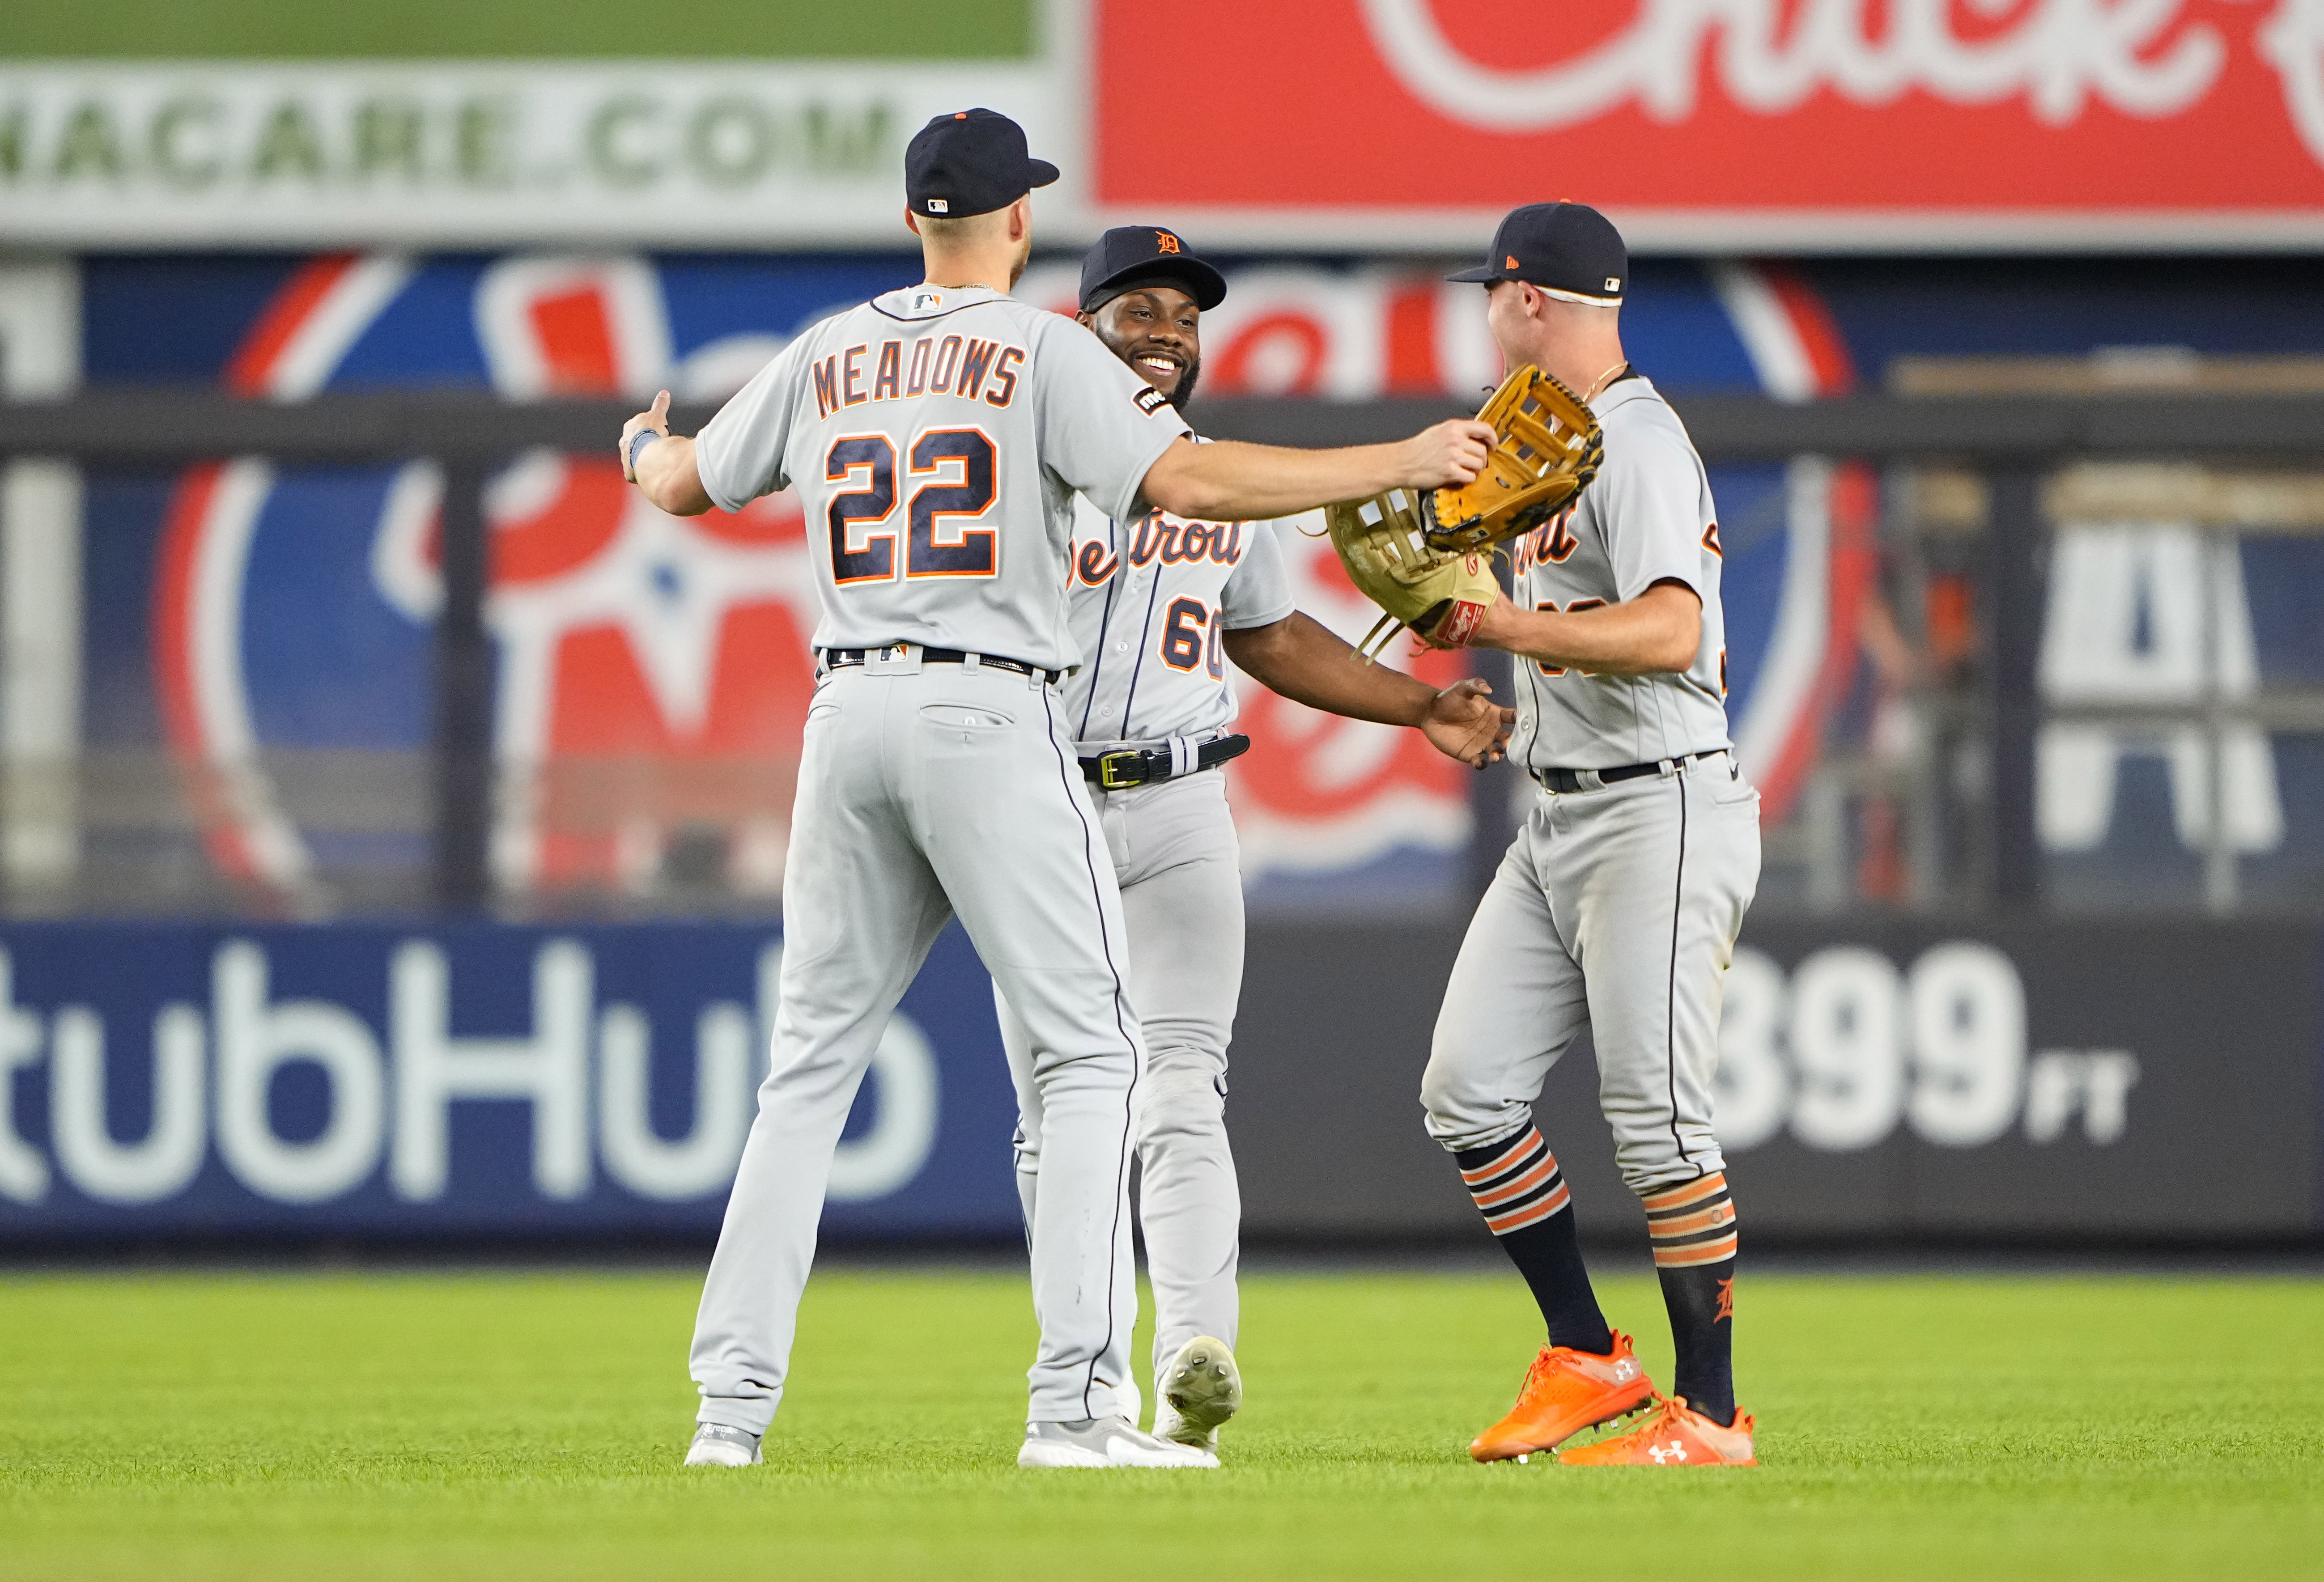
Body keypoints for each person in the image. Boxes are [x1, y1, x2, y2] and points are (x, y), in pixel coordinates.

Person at [619, 107, 1496, 1471]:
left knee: (805, 1073)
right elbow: (1190, 475)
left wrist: (639, 450)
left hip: (847, 707)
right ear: (1019, 224)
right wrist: (1397, 459)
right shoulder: (1037, 348)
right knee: (1098, 1058)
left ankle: (725, 1419)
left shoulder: (828, 347)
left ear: (913, 219)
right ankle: (1075, 1409)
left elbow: (683, 484)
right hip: (987, 707)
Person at [998, 226, 1516, 1451]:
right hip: (1042, 804)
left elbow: (1270, 635)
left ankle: (1189, 1361)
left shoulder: (1221, 478)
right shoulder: (1024, 456)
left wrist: (1418, 706)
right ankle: (1083, 1383)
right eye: (1140, 310)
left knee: (1181, 1089)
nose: (1168, 333)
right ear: (1080, 327)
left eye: (1185, 316)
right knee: (1061, 1111)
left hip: (1182, 801)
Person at [1417, 203, 1763, 1467]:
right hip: (1559, 803)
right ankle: (1588, 1354)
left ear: (1526, 301)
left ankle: (1714, 1415)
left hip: (1659, 800)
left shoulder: (1638, 440)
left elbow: (1671, 630)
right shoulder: (1544, 440)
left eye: (1489, 297)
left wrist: (1499, 628)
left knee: (1659, 1123)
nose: (1484, 319)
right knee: (1467, 1089)